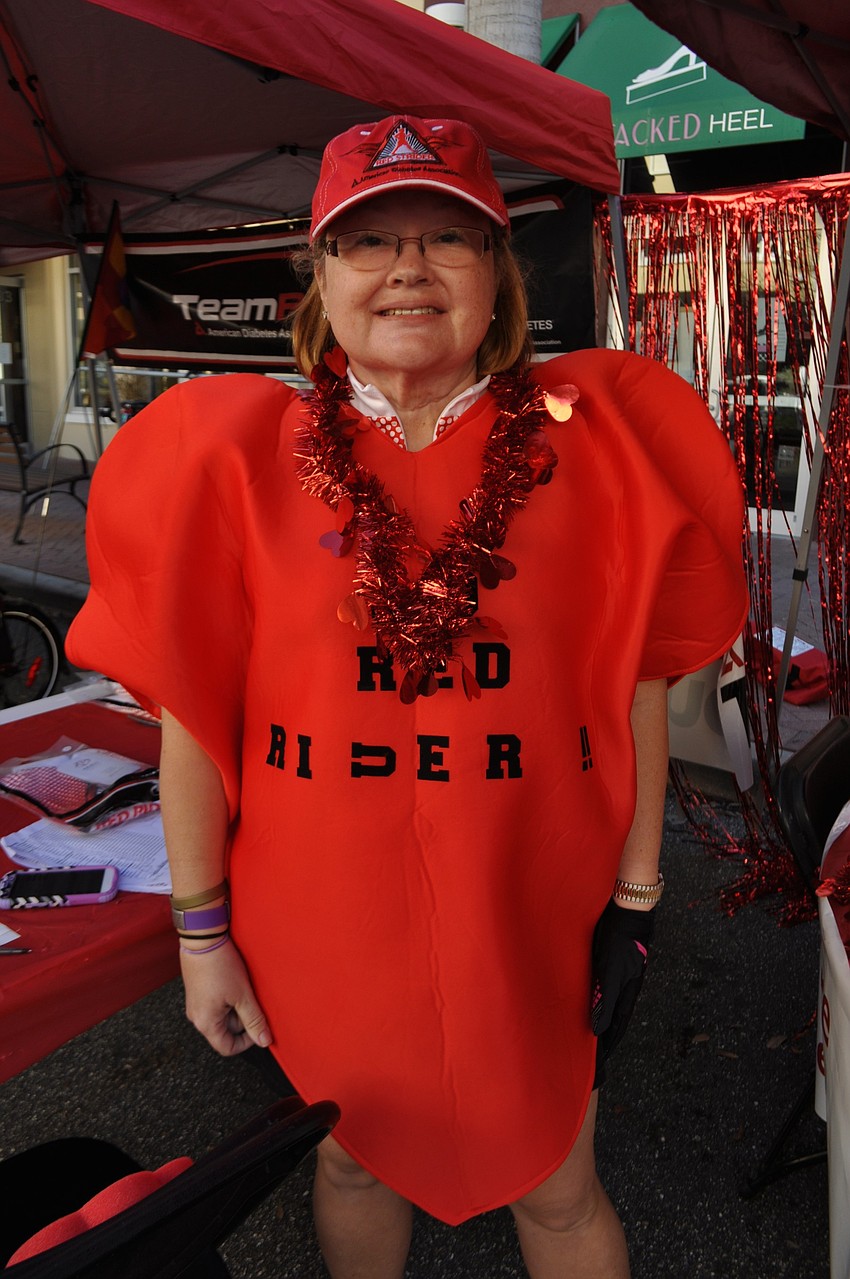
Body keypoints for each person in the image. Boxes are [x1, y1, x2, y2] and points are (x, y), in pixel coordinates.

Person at [66, 114, 748, 1277]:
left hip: (530, 903)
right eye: (368, 243)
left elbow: (634, 686)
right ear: (320, 279)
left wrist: (635, 898)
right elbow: (193, 720)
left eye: (447, 237)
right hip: (319, 915)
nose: (408, 269)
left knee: (559, 1181)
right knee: (352, 1160)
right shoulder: (223, 459)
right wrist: (200, 935)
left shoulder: (603, 448)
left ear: (497, 276)